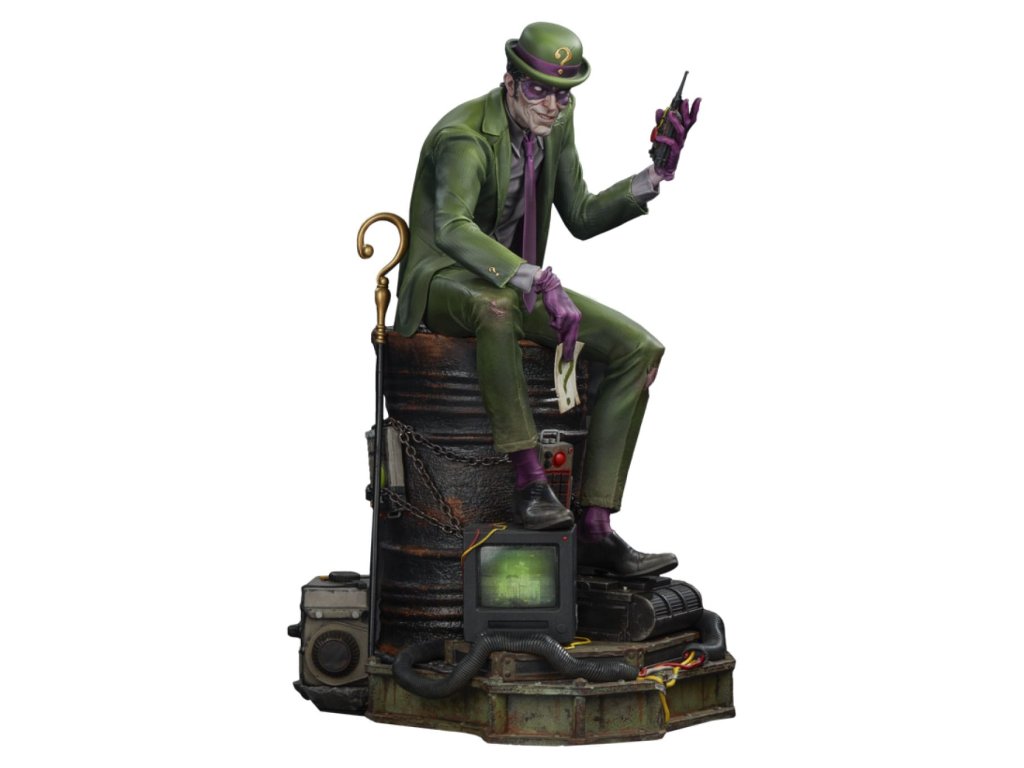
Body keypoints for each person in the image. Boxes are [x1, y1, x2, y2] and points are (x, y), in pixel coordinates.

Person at [394, 22, 699, 577]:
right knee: (496, 309)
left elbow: (579, 214)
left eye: (563, 93)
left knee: (638, 349)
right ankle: (530, 483)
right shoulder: (464, 136)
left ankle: (596, 526)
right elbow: (453, 227)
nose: (553, 105)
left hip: (517, 283)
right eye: (538, 90)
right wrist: (535, 279)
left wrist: (652, 176)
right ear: (509, 81)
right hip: (443, 279)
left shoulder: (555, 124)